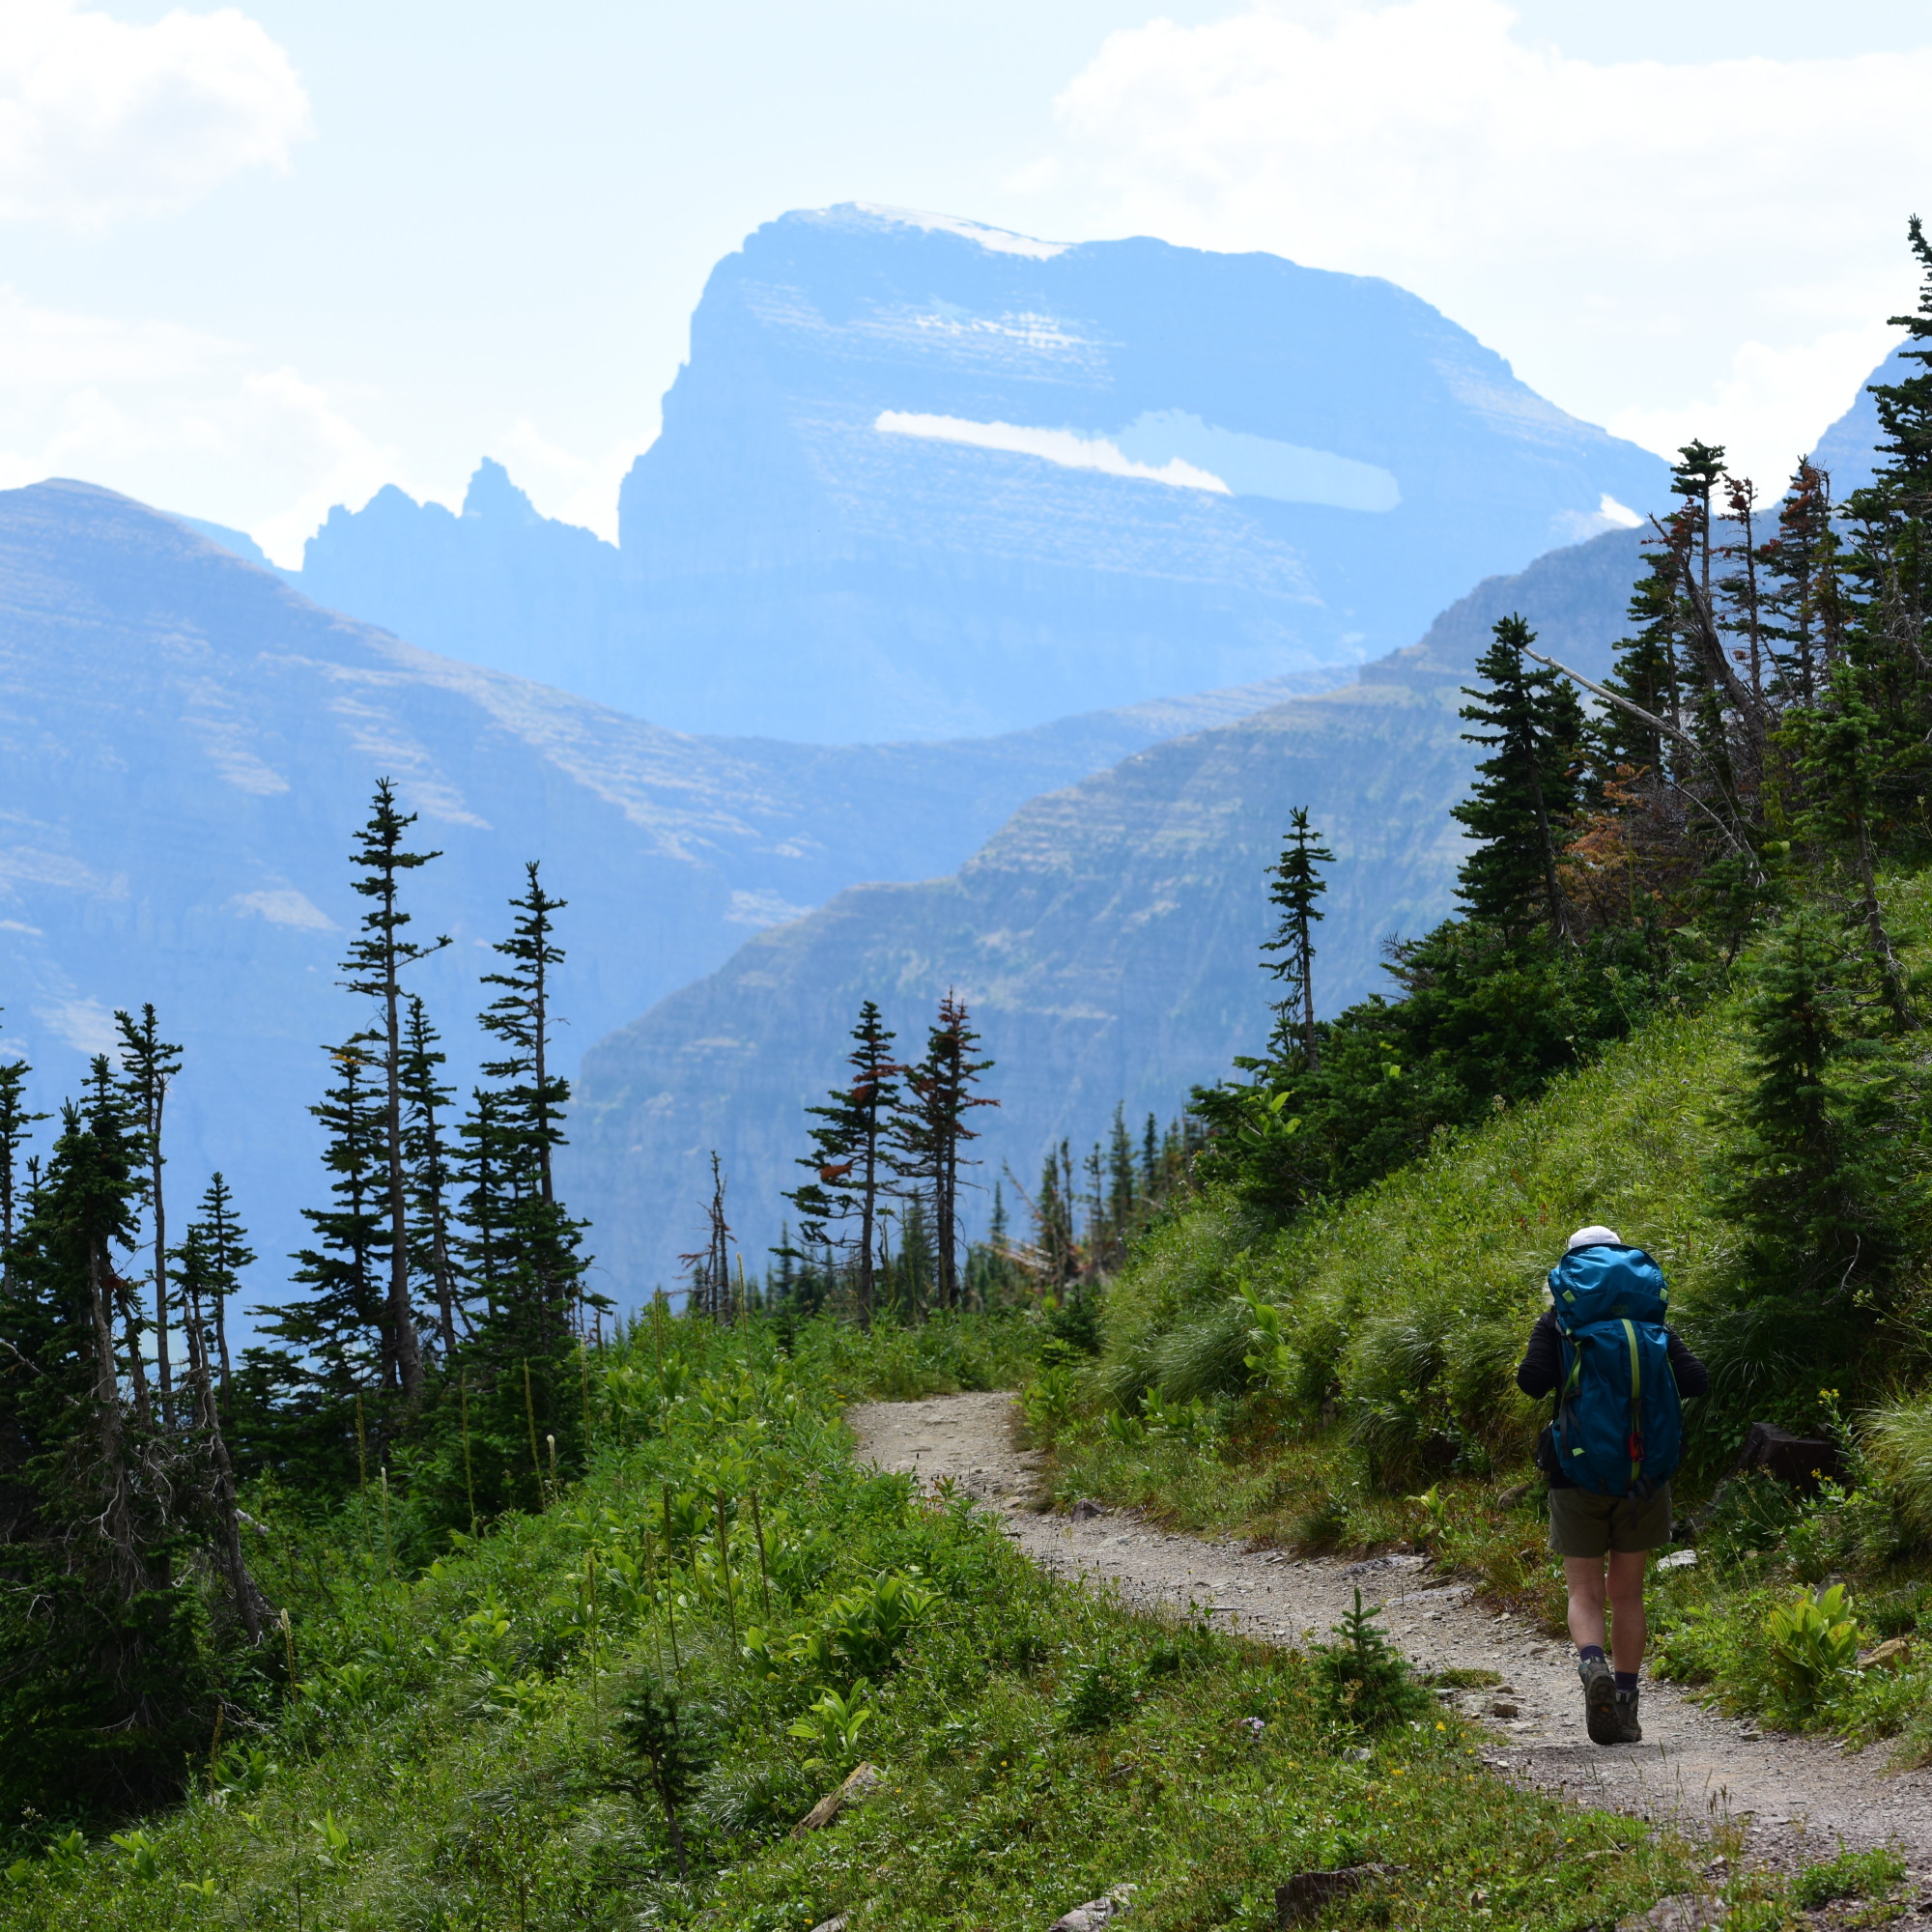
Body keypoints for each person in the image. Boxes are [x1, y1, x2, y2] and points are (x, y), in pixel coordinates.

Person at [1516, 1225, 1708, 1746]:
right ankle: (1625, 1702)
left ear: (1571, 1271)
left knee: (1584, 1588)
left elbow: (1531, 1382)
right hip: (1643, 1477)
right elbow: (1697, 1382)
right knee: (1628, 1593)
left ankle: (1591, 1663)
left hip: (1574, 1472)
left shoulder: (1559, 1322)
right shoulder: (1653, 1324)